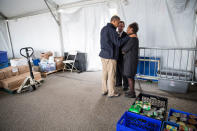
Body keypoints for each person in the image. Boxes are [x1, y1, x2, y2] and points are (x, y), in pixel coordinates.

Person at [99, 16, 129, 98]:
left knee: (104, 74)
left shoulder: (103, 29)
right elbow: (118, 43)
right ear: (114, 21)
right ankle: (111, 93)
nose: (118, 24)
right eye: (118, 22)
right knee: (111, 75)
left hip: (103, 55)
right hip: (110, 56)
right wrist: (127, 37)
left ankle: (104, 90)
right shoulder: (112, 30)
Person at [122, 22, 139, 98]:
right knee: (131, 76)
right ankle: (132, 91)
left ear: (132, 29)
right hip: (131, 60)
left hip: (130, 61)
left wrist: (123, 49)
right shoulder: (134, 38)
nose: (126, 30)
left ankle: (132, 93)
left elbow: (124, 49)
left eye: (128, 29)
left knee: (129, 76)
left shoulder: (133, 39)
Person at [115, 21, 129, 91]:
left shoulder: (126, 35)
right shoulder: (114, 34)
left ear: (124, 27)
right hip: (115, 55)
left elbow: (127, 45)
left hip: (123, 56)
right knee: (117, 70)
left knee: (123, 71)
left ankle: (126, 85)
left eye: (122, 26)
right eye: (119, 26)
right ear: (117, 26)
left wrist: (125, 52)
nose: (120, 27)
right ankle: (118, 83)